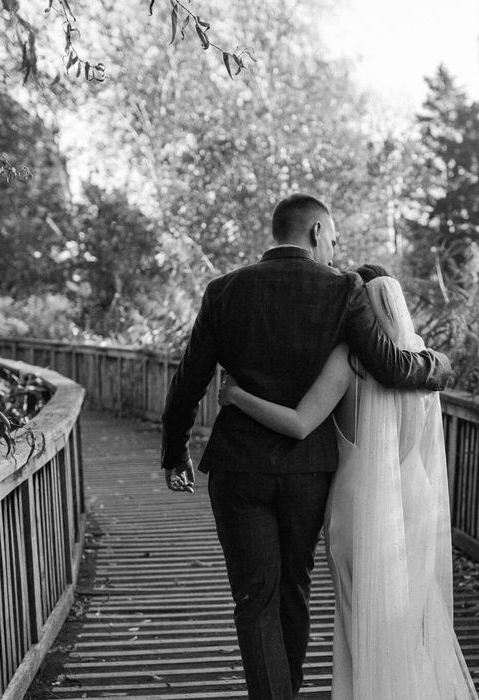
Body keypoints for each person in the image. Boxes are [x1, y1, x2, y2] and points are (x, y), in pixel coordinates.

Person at [160, 193, 452, 700]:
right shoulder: (342, 289)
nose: (335, 254)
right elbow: (390, 366)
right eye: (333, 240)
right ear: (316, 232)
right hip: (308, 472)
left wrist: (174, 450)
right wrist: (440, 367)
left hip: (238, 469)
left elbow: (190, 380)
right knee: (294, 590)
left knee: (256, 597)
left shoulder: (223, 291)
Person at [218, 268, 478, 700]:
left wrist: (236, 396)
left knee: (359, 614)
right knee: (405, 615)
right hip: (413, 496)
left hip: (359, 502)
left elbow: (300, 424)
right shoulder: (423, 362)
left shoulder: (349, 359)